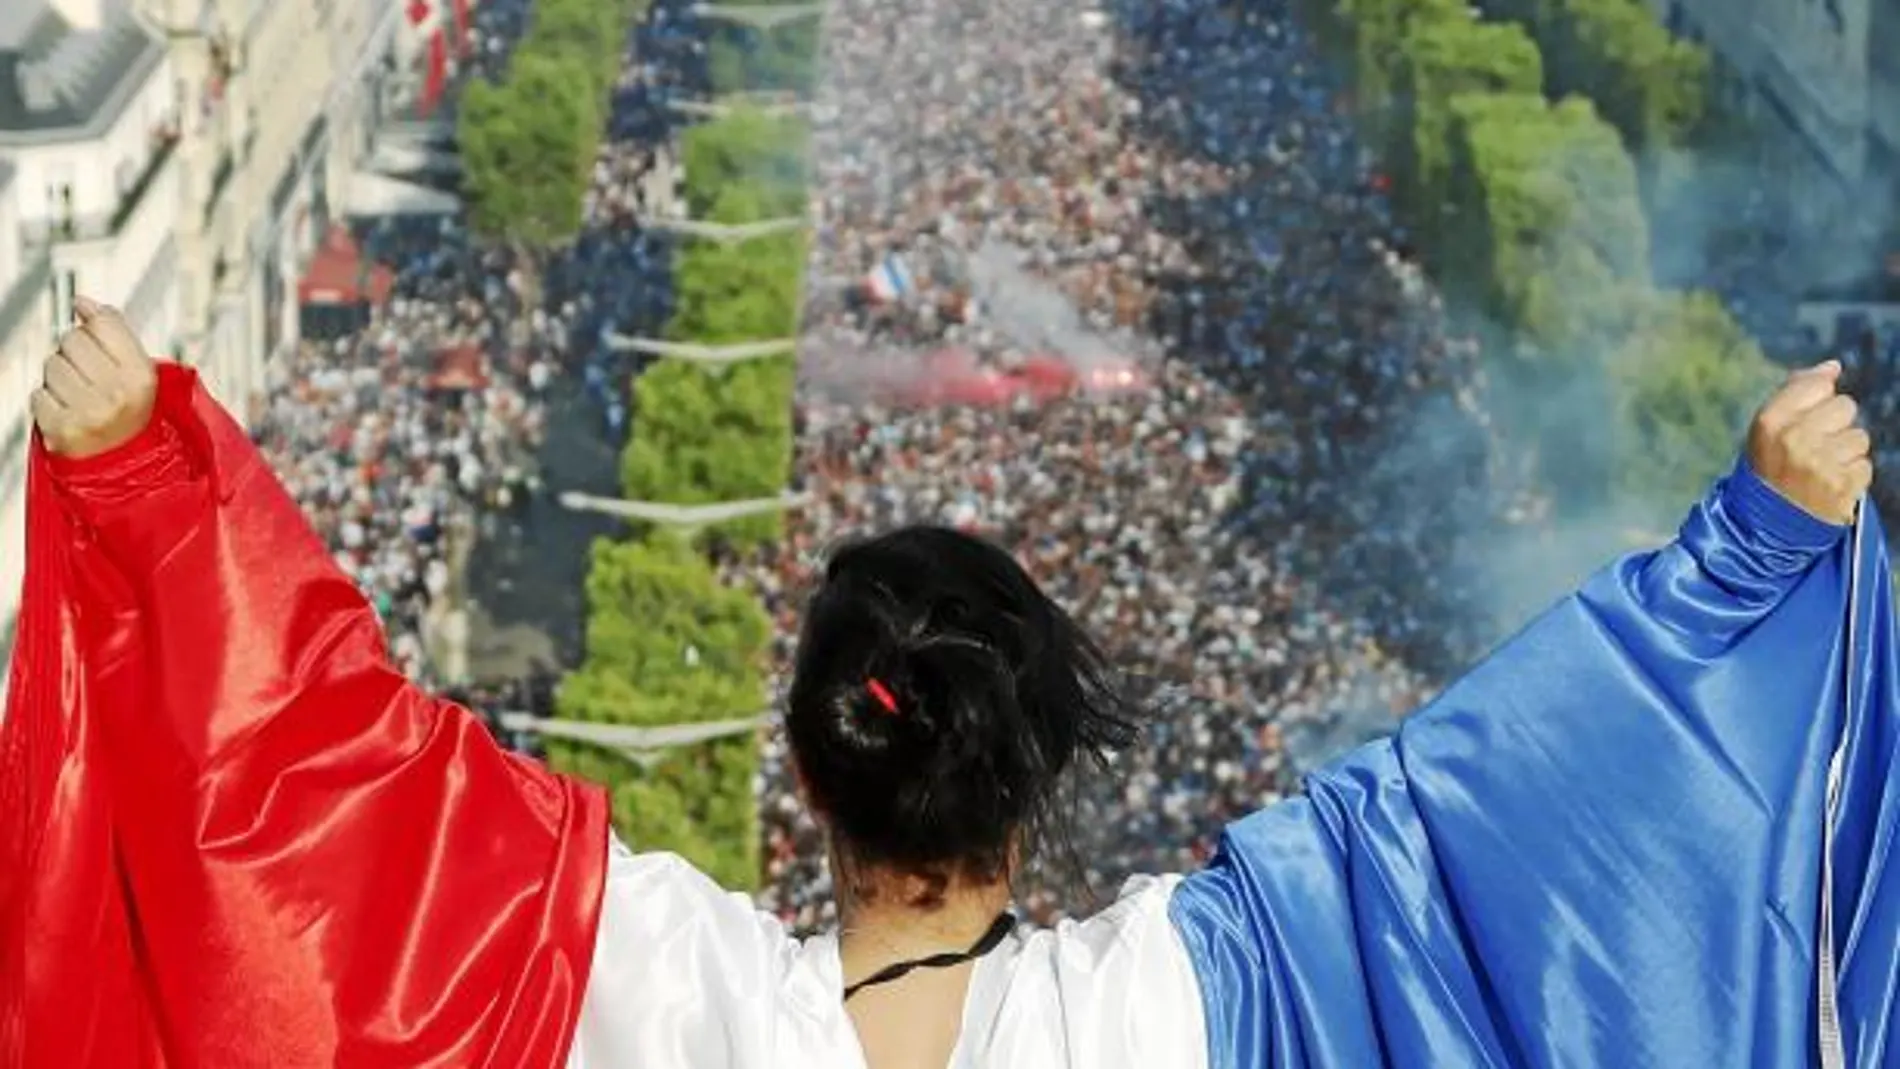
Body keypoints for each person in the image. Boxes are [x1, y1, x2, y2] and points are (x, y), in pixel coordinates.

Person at [3, 302, 1895, 1069]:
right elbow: (1489, 827)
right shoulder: (1179, 1009)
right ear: (1042, 775)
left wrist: (158, 485)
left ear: (811, 768)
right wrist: (1746, 553)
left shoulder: (643, 994)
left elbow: (322, 785)